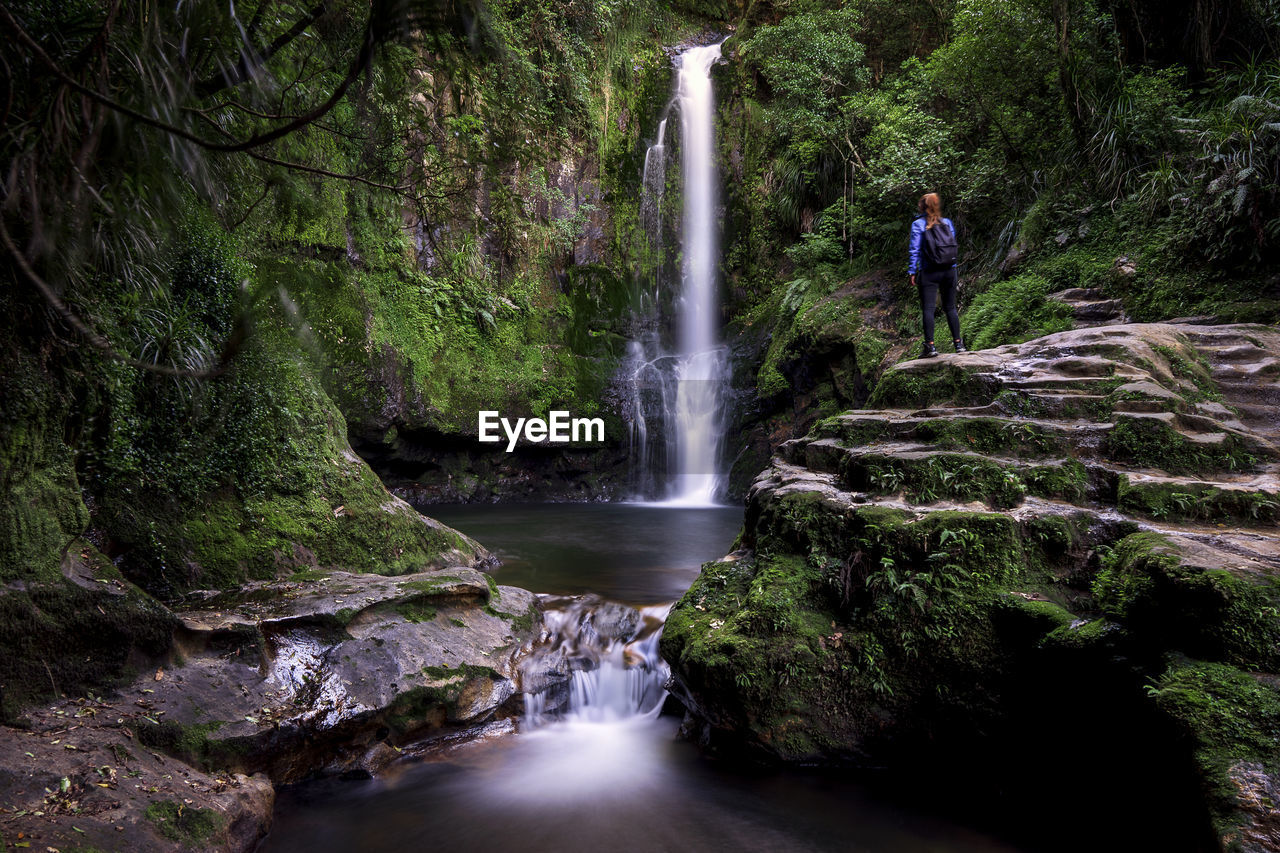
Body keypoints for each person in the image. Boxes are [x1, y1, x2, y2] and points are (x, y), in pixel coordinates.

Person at [908, 192, 966, 358]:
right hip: (950, 270)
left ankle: (930, 347)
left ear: (922, 207)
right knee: (950, 307)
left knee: (928, 308)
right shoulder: (947, 223)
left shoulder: (918, 224)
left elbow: (915, 249)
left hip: (929, 271)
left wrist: (912, 271)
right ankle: (958, 344)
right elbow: (952, 244)